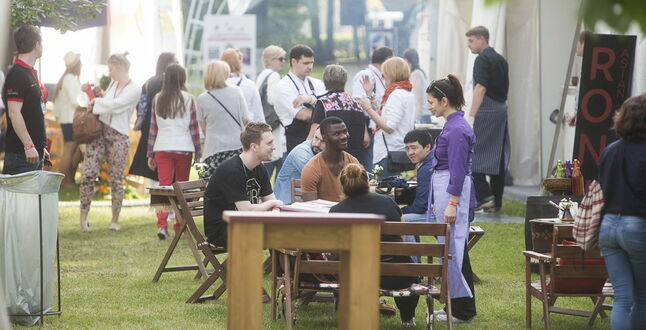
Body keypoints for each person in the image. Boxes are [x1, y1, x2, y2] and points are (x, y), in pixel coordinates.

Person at [329, 163, 419, 327]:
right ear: (367, 182)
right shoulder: (388, 202)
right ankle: (407, 318)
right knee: (406, 264)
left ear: (343, 186)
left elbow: (337, 249)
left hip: (358, 277)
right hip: (398, 276)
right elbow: (402, 236)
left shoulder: (336, 211)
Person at [426, 75, 477, 323]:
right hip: (446, 189)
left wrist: (452, 203)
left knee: (455, 252)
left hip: (453, 191)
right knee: (454, 252)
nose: (429, 106)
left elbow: (457, 170)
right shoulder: (453, 124)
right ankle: (457, 306)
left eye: (431, 102)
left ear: (444, 100)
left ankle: (461, 309)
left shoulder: (457, 129)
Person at [598, 93, 646, 330]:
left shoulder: (611, 150)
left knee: (623, 297)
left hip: (608, 226)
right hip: (637, 224)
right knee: (642, 296)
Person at [80, 53, 141, 232]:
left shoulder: (134, 88)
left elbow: (116, 105)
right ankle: (83, 218)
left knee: (116, 178)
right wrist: (96, 96)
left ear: (120, 67)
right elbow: (108, 103)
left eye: (111, 68)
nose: (110, 72)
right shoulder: (114, 84)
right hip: (100, 132)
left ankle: (115, 219)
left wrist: (98, 101)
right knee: (88, 174)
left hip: (119, 136)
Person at [203, 122, 283, 247]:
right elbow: (248, 211)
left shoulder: (259, 168)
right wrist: (272, 204)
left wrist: (273, 206)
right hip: (222, 231)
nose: (274, 147)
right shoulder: (232, 171)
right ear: (254, 147)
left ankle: (279, 267)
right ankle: (277, 267)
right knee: (279, 235)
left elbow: (272, 203)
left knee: (286, 232)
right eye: (269, 143)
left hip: (245, 224)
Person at [146, 64, 201, 240]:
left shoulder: (158, 98)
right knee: (181, 188)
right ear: (183, 79)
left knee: (163, 186)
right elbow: (194, 128)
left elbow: (153, 128)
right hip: (184, 147)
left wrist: (150, 153)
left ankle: (162, 225)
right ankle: (180, 225)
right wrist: (198, 150)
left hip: (162, 146)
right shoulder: (189, 98)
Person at [465, 25, 510, 213]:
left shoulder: (482, 59)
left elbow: (480, 88)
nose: (469, 45)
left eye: (471, 41)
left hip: (487, 110)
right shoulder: (501, 59)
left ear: (482, 39)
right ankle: (496, 201)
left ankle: (484, 196)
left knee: (474, 152)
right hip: (501, 109)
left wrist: (472, 115)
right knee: (498, 156)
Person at [1, 25, 50, 175]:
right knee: (18, 199)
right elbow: (14, 113)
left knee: (33, 199)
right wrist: (29, 146)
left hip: (33, 152)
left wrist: (40, 146)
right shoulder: (18, 74)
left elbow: (32, 112)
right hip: (21, 155)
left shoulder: (28, 72)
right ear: (37, 44)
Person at [359, 56, 416, 178]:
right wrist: (369, 93)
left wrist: (367, 108)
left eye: (384, 75)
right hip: (399, 151)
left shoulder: (396, 94)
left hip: (389, 154)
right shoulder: (406, 92)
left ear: (391, 74)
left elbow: (389, 126)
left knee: (388, 194)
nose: (383, 78)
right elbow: (384, 115)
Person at [307, 64, 368, 166]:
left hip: (331, 162)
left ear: (325, 81)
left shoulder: (323, 103)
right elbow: (364, 139)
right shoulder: (356, 104)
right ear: (344, 81)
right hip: (355, 161)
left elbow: (312, 136)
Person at [196, 60, 249, 179]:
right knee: (237, 183)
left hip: (213, 149)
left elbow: (203, 128)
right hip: (236, 147)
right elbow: (246, 119)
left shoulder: (202, 98)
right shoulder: (237, 92)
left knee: (213, 186)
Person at [129, 53, 177, 181]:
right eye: (176, 62)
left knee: (152, 166)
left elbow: (140, 106)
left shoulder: (149, 82)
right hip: (165, 124)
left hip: (148, 125)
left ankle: (155, 195)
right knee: (167, 164)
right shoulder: (171, 83)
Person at [273, 44, 325, 154]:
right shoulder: (283, 86)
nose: (310, 67)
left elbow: (328, 106)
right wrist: (324, 111)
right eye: (306, 63)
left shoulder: (317, 83)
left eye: (312, 63)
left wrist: (310, 99)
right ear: (293, 62)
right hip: (294, 142)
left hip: (318, 142)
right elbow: (304, 115)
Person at [351, 46, 393, 168]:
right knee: (372, 167)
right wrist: (364, 133)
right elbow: (357, 106)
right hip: (368, 128)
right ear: (386, 60)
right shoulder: (365, 75)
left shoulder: (381, 76)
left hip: (379, 127)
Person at [300, 116, 359, 202]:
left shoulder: (353, 162)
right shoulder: (311, 169)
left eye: (345, 131)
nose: (344, 136)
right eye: (337, 134)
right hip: (323, 214)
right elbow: (310, 209)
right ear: (325, 138)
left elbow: (360, 200)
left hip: (349, 214)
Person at [256, 45, 287, 179]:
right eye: (280, 59)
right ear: (271, 60)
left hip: (264, 124)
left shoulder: (262, 75)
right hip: (274, 127)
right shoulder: (273, 75)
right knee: (280, 171)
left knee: (266, 168)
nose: (283, 62)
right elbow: (274, 100)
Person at [52, 51, 83, 186]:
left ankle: (69, 179)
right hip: (71, 119)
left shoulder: (69, 78)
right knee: (70, 148)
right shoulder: (70, 78)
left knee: (74, 148)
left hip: (69, 119)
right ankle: (65, 181)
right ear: (76, 65)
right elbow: (74, 100)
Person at [273, 128, 324, 204]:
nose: (316, 144)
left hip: (305, 205)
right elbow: (323, 180)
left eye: (323, 141)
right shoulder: (301, 153)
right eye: (316, 138)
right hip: (286, 207)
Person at [401, 129, 434, 245]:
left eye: (414, 148)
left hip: (444, 215)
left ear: (427, 147)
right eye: (407, 148)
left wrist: (398, 211)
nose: (410, 152)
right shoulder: (431, 161)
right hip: (449, 211)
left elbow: (421, 206)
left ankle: (412, 260)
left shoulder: (427, 168)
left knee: (401, 219)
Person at [220, 48, 265, 123]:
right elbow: (258, 115)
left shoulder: (217, 84)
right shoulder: (249, 84)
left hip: (223, 129)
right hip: (246, 130)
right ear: (239, 63)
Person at [402, 48, 430, 124]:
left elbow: (417, 100)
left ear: (407, 61)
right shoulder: (421, 73)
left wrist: (414, 120)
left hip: (421, 117)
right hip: (425, 115)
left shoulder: (415, 75)